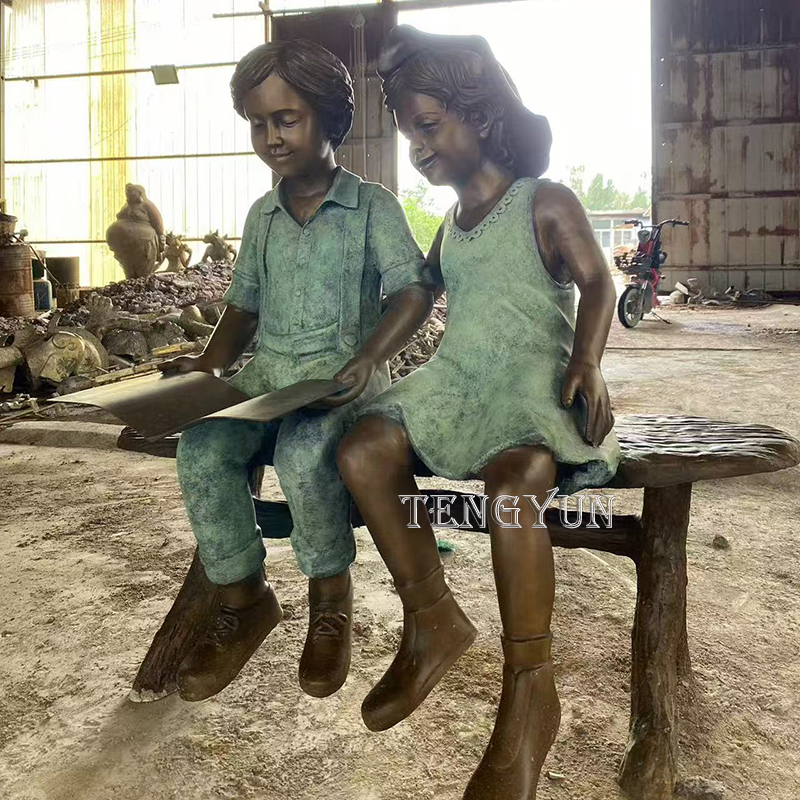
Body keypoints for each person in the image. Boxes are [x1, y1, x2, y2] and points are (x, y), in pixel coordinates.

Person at [337, 26, 621, 800]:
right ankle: (432, 617)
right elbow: (420, 294)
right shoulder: (451, 227)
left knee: (512, 488)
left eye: (428, 127)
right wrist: (368, 359)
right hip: (459, 378)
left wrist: (587, 361)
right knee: (362, 450)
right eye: (408, 135)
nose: (418, 148)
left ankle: (531, 687)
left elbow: (599, 285)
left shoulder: (545, 202)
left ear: (483, 119)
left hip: (534, 381)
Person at [161, 39, 433, 703]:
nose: (272, 137)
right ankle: (244, 596)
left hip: (345, 377)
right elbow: (243, 309)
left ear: (329, 118)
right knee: (201, 448)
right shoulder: (262, 217)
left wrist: (370, 356)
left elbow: (414, 294)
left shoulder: (373, 207)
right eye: (258, 123)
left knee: (308, 451)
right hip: (270, 375)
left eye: (288, 119)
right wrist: (208, 367)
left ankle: (328, 597)